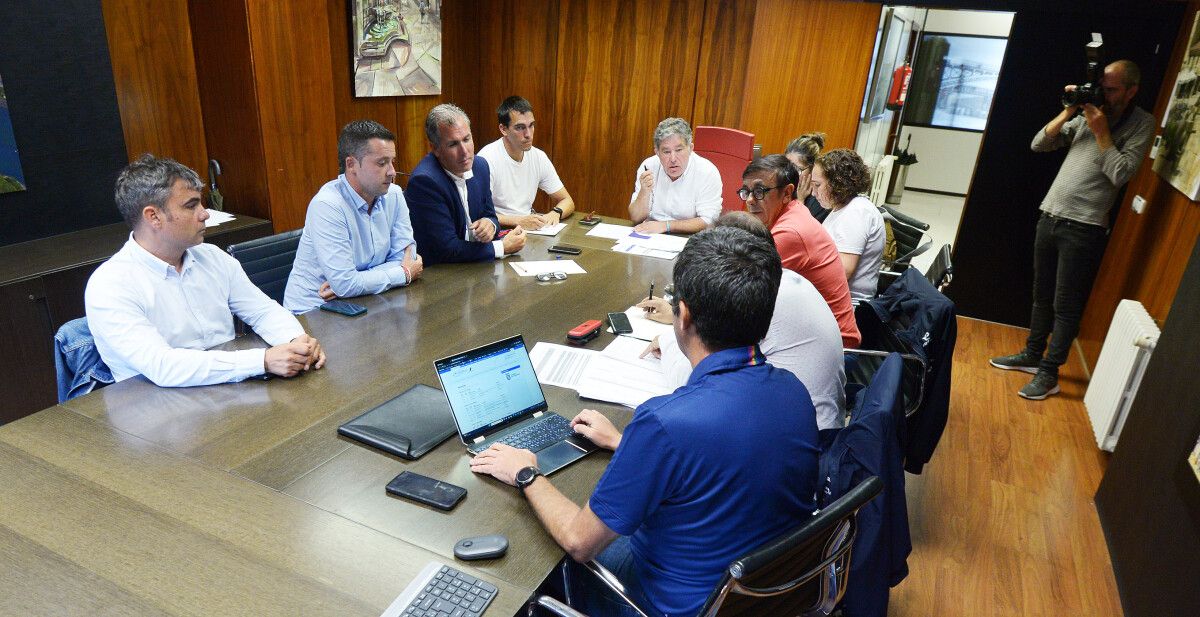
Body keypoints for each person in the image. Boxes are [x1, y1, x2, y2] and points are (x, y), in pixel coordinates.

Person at [470, 226, 820, 617]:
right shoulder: (796, 392)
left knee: (541, 561)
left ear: (683, 315)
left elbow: (578, 541)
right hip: (768, 596)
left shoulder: (665, 424)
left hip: (671, 605)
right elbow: (719, 462)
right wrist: (625, 444)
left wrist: (527, 474)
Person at [990, 59, 1155, 400]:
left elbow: (1122, 174)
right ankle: (1032, 356)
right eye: (1102, 87)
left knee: (1065, 305)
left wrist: (1102, 133)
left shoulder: (1141, 124)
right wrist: (1069, 110)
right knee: (1041, 297)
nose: (1104, 94)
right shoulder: (1085, 114)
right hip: (1050, 215)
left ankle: (1049, 374)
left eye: (1111, 89)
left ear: (1131, 90)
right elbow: (1039, 143)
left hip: (1084, 228)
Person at [85, 154, 326, 387]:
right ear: (153, 217)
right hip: (158, 409)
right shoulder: (111, 284)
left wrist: (296, 341)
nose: (205, 213)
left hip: (227, 386)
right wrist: (262, 360)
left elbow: (262, 311)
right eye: (191, 206)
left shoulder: (211, 257)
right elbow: (163, 366)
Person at [640, 212, 847, 433]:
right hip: (804, 427)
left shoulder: (755, 298)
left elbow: (701, 382)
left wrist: (669, 341)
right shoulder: (785, 282)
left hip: (787, 434)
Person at [283, 119, 422, 313]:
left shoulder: (394, 194)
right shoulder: (327, 206)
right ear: (351, 165)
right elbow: (349, 284)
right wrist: (403, 274)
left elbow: (406, 256)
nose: (392, 172)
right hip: (314, 312)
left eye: (392, 162)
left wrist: (353, 284)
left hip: (366, 302)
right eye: (382, 163)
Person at [739, 154, 860, 347]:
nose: (751, 200)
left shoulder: (791, 232)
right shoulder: (788, 214)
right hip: (806, 332)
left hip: (834, 347)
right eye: (746, 191)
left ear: (787, 193)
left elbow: (742, 289)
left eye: (760, 191)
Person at [405, 103, 526, 264]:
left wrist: (489, 225)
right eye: (453, 144)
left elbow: (491, 215)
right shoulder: (425, 182)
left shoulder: (480, 166)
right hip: (440, 275)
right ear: (435, 148)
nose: (465, 151)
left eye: (467, 139)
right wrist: (502, 247)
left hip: (476, 264)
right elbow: (446, 248)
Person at [477, 96, 575, 230]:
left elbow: (567, 200)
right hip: (496, 231)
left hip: (529, 229)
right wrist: (519, 221)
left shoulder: (538, 157)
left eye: (531, 125)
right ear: (503, 129)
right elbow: (478, 214)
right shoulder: (486, 159)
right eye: (520, 128)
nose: (528, 134)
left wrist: (555, 213)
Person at [627, 117, 722, 234]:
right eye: (666, 152)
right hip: (651, 234)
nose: (673, 159)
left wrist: (666, 226)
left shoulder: (707, 172)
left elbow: (708, 221)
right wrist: (644, 192)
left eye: (679, 150)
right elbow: (636, 217)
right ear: (657, 152)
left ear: (690, 148)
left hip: (691, 238)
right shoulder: (648, 167)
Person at [813, 148, 885, 301]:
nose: (813, 193)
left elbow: (842, 272)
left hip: (849, 305)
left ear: (837, 182)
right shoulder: (841, 207)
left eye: (817, 185)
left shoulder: (856, 212)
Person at [784, 132, 827, 219]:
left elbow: (796, 230)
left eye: (797, 169)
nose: (790, 173)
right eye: (786, 167)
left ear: (812, 170)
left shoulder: (820, 201)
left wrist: (800, 201)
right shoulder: (784, 186)